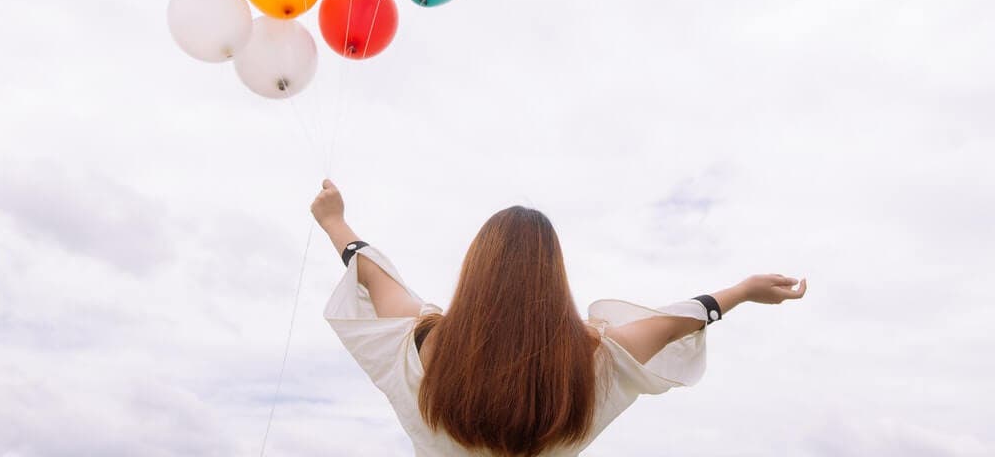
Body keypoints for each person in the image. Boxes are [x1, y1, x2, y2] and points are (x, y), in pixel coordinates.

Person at [313, 179, 807, 456]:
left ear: (475, 271)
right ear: (554, 279)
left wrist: (334, 220)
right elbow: (679, 319)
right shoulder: (590, 363)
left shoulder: (425, 348)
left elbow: (377, 279)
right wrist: (741, 292)